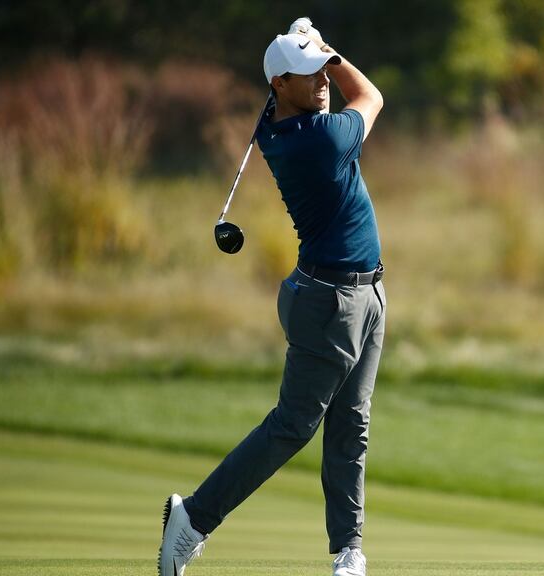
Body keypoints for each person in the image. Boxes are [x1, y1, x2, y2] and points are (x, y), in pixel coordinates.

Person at [158, 18, 385, 576]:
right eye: (311, 74)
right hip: (331, 303)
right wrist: (331, 50)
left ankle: (348, 552)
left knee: (351, 422)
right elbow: (371, 96)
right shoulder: (320, 138)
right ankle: (193, 519)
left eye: (323, 70)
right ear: (281, 84)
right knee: (292, 426)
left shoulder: (280, 122)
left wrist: (307, 55)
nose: (324, 80)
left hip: (368, 292)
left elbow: (315, 91)